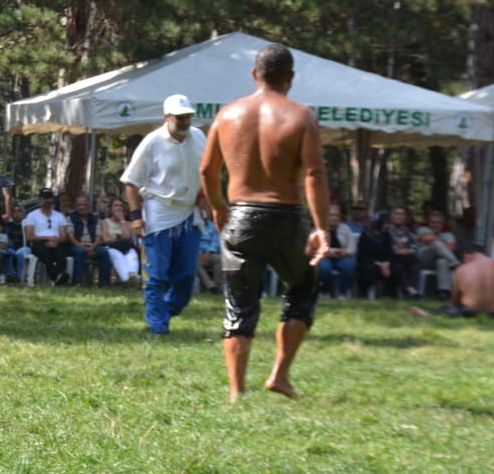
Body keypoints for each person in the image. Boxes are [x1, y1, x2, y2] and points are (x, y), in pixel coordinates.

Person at [200, 43, 330, 402]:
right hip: (287, 217)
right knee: (302, 291)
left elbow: (207, 170)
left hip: (240, 215)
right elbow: (314, 175)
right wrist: (321, 227)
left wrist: (218, 207)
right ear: (290, 78)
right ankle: (279, 376)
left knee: (239, 303)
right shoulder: (301, 115)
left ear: (254, 75)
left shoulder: (227, 115)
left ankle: (236, 391)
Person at [122, 93, 206, 334]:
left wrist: (204, 197)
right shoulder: (152, 141)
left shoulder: (199, 137)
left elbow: (206, 172)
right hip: (158, 211)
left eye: (188, 117)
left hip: (189, 212)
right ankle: (157, 326)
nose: (184, 122)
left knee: (186, 275)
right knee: (156, 275)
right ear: (166, 117)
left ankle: (166, 311)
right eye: (179, 118)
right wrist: (136, 216)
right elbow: (130, 182)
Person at [411, 243, 494, 319]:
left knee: (448, 309)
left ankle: (428, 315)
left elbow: (456, 301)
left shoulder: (462, 269)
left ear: (467, 256)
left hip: (471, 311)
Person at [22, 188, 73, 285]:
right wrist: (47, 238)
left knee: (60, 252)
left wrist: (56, 242)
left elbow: (64, 237)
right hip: (39, 243)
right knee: (45, 253)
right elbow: (29, 237)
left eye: (49, 197)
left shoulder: (59, 216)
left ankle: (58, 279)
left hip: (56, 242)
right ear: (40, 199)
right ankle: (57, 277)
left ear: (53, 199)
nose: (47, 200)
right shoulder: (32, 216)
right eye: (44, 198)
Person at [317, 204, 357, 298]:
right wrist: (332, 251)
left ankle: (342, 293)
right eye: (331, 215)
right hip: (325, 257)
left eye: (336, 215)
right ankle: (324, 292)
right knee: (324, 268)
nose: (334, 218)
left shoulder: (345, 228)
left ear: (340, 217)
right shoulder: (319, 228)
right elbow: (316, 247)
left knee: (349, 266)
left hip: (341, 257)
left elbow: (352, 247)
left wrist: (345, 252)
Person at [100, 198, 141, 285]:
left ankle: (132, 276)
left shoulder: (128, 223)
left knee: (132, 255)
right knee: (118, 256)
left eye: (121, 206)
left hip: (126, 247)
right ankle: (127, 280)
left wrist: (122, 221)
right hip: (112, 248)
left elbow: (127, 238)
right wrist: (116, 238)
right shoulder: (105, 222)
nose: (119, 208)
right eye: (116, 205)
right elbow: (106, 240)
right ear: (111, 208)